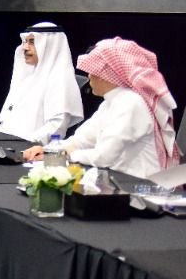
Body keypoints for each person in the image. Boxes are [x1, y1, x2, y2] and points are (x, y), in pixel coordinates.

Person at [23, 38, 180, 179]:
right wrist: (48, 151)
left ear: (108, 74)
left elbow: (103, 157)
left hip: (140, 190)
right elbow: (81, 141)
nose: (89, 76)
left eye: (93, 71)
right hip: (117, 183)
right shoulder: (111, 102)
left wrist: (61, 156)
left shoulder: (131, 103)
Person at [0, 22, 83, 142]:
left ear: (49, 46)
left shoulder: (60, 80)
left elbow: (56, 127)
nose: (25, 47)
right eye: (25, 41)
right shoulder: (27, 76)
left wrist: (24, 144)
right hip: (5, 142)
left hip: (29, 148)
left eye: (32, 42)